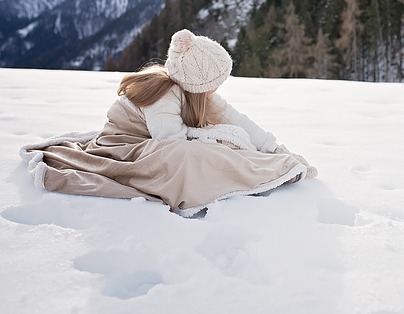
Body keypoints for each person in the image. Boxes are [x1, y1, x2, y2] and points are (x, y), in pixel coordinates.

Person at [21, 29, 317, 216]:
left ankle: (276, 167)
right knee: (194, 156)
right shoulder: (165, 93)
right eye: (214, 81)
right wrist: (212, 137)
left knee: (223, 144)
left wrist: (276, 149)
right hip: (125, 145)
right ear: (196, 81)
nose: (217, 88)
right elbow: (170, 141)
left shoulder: (199, 94)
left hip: (154, 143)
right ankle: (245, 174)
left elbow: (237, 119)